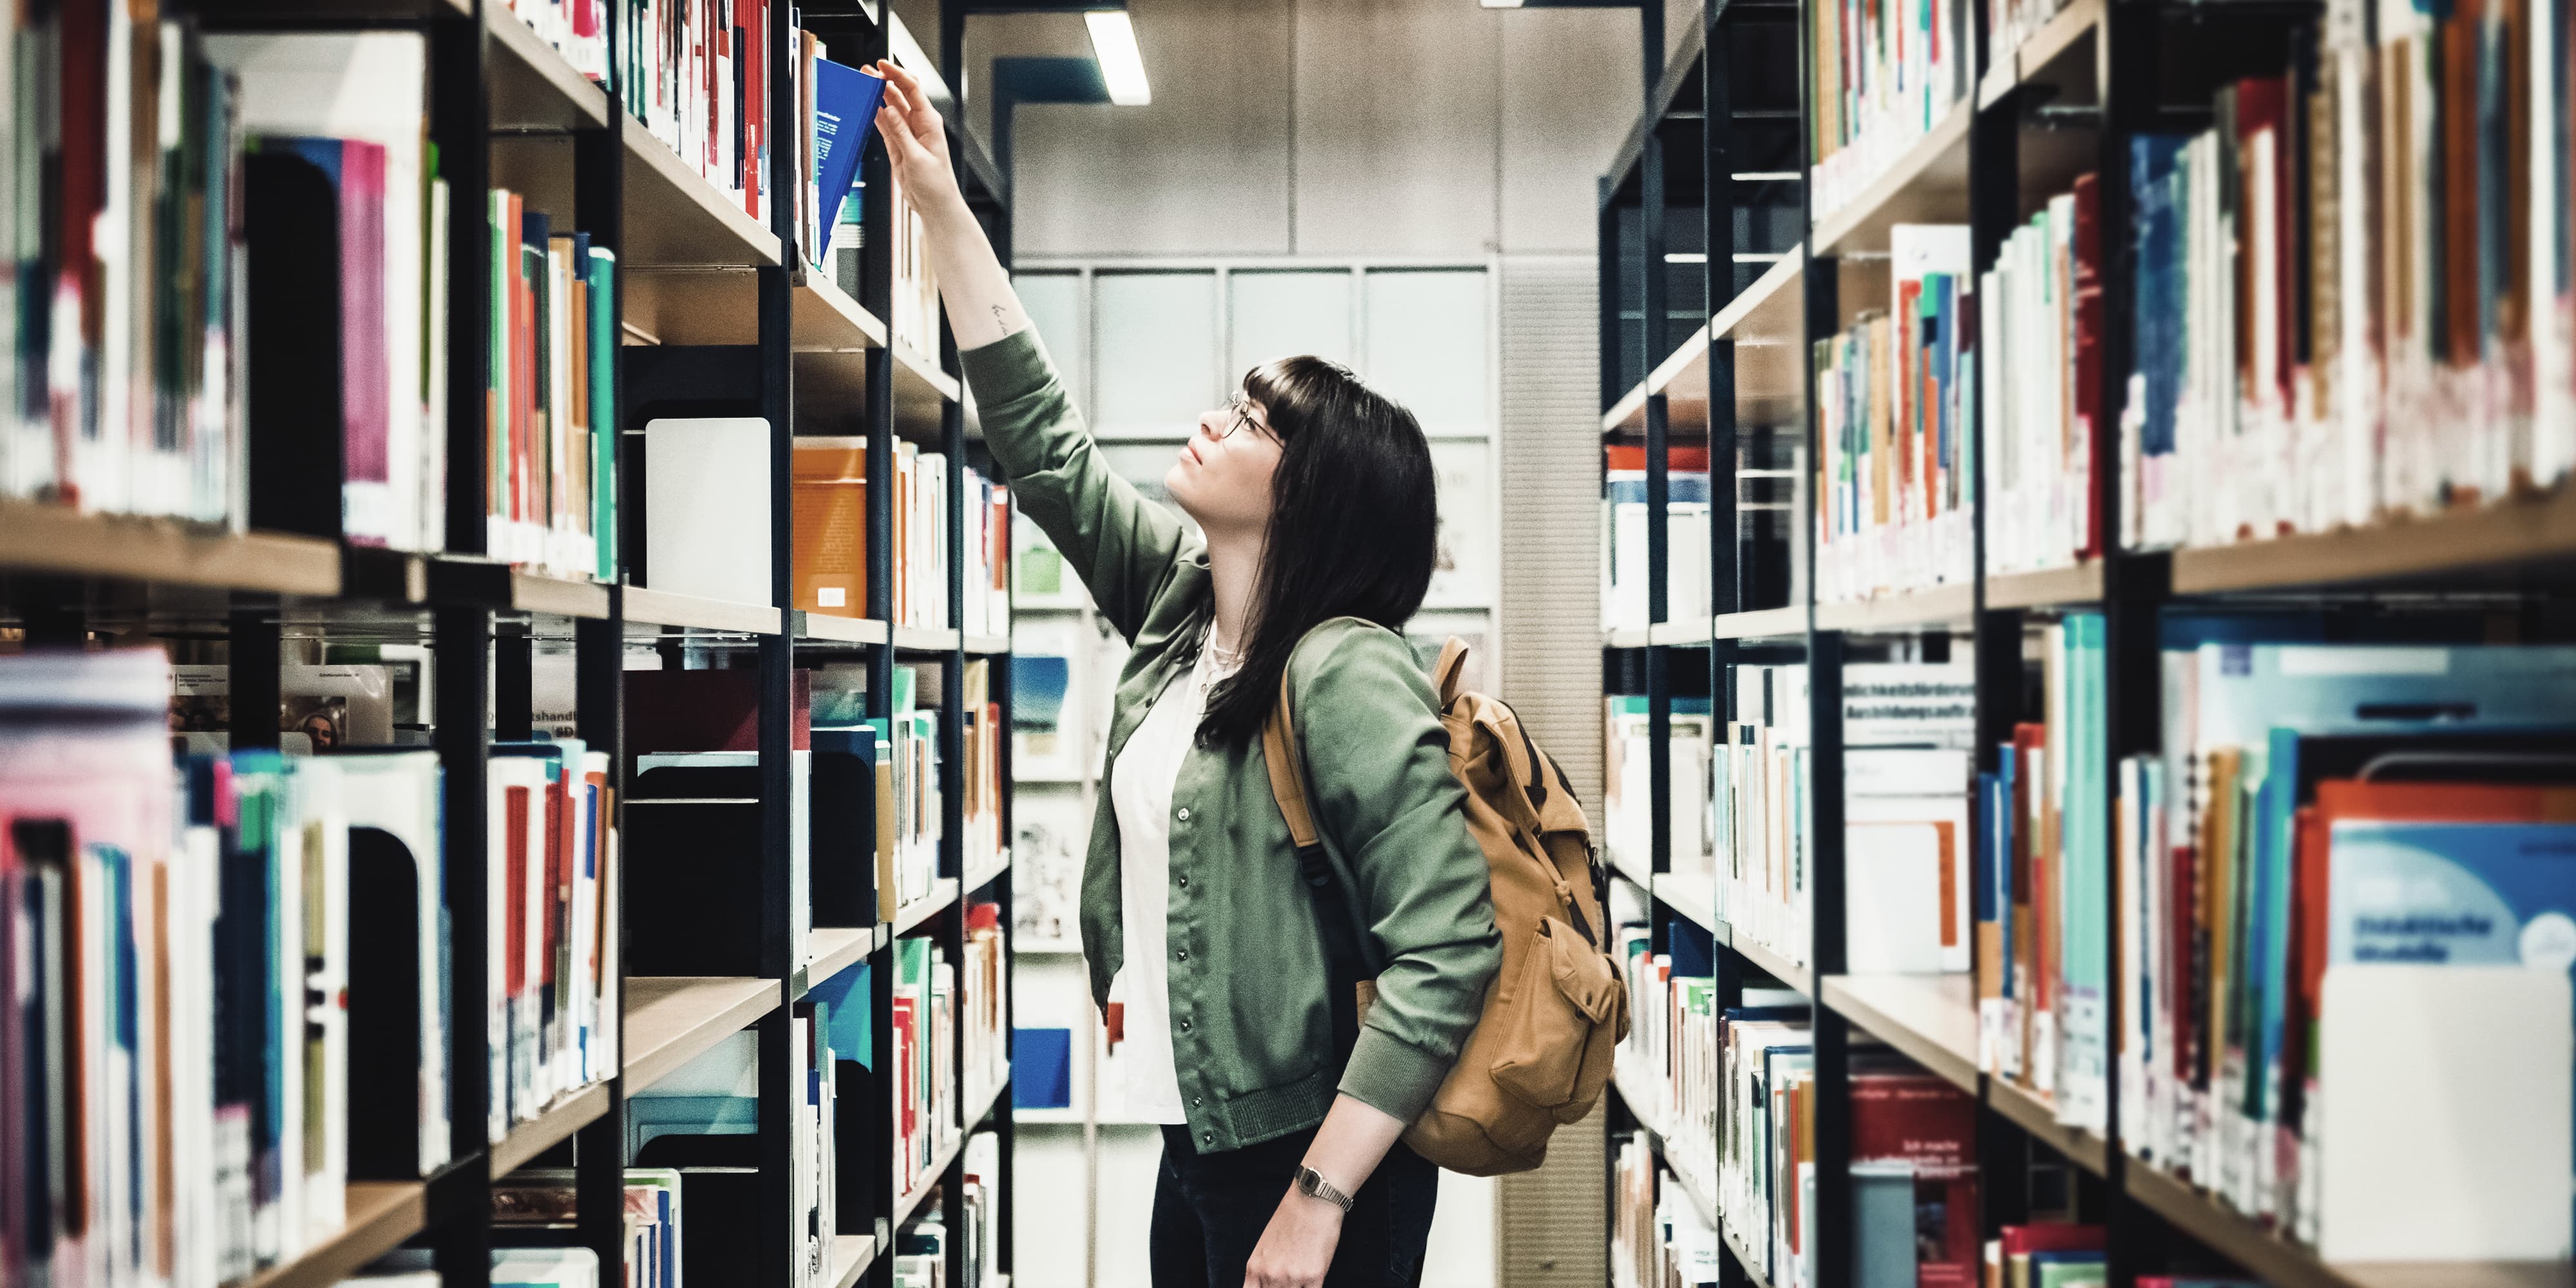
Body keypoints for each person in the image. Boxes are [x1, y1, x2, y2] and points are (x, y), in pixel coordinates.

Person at [873, 61, 1502, 1288]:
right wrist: (941, 204)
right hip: (1199, 1133)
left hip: (1313, 1162)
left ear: (1312, 498)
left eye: (1256, 423)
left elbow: (1451, 949)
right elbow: (1047, 451)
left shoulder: (1344, 674)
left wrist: (1320, 1200)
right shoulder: (1182, 606)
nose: (1216, 421)